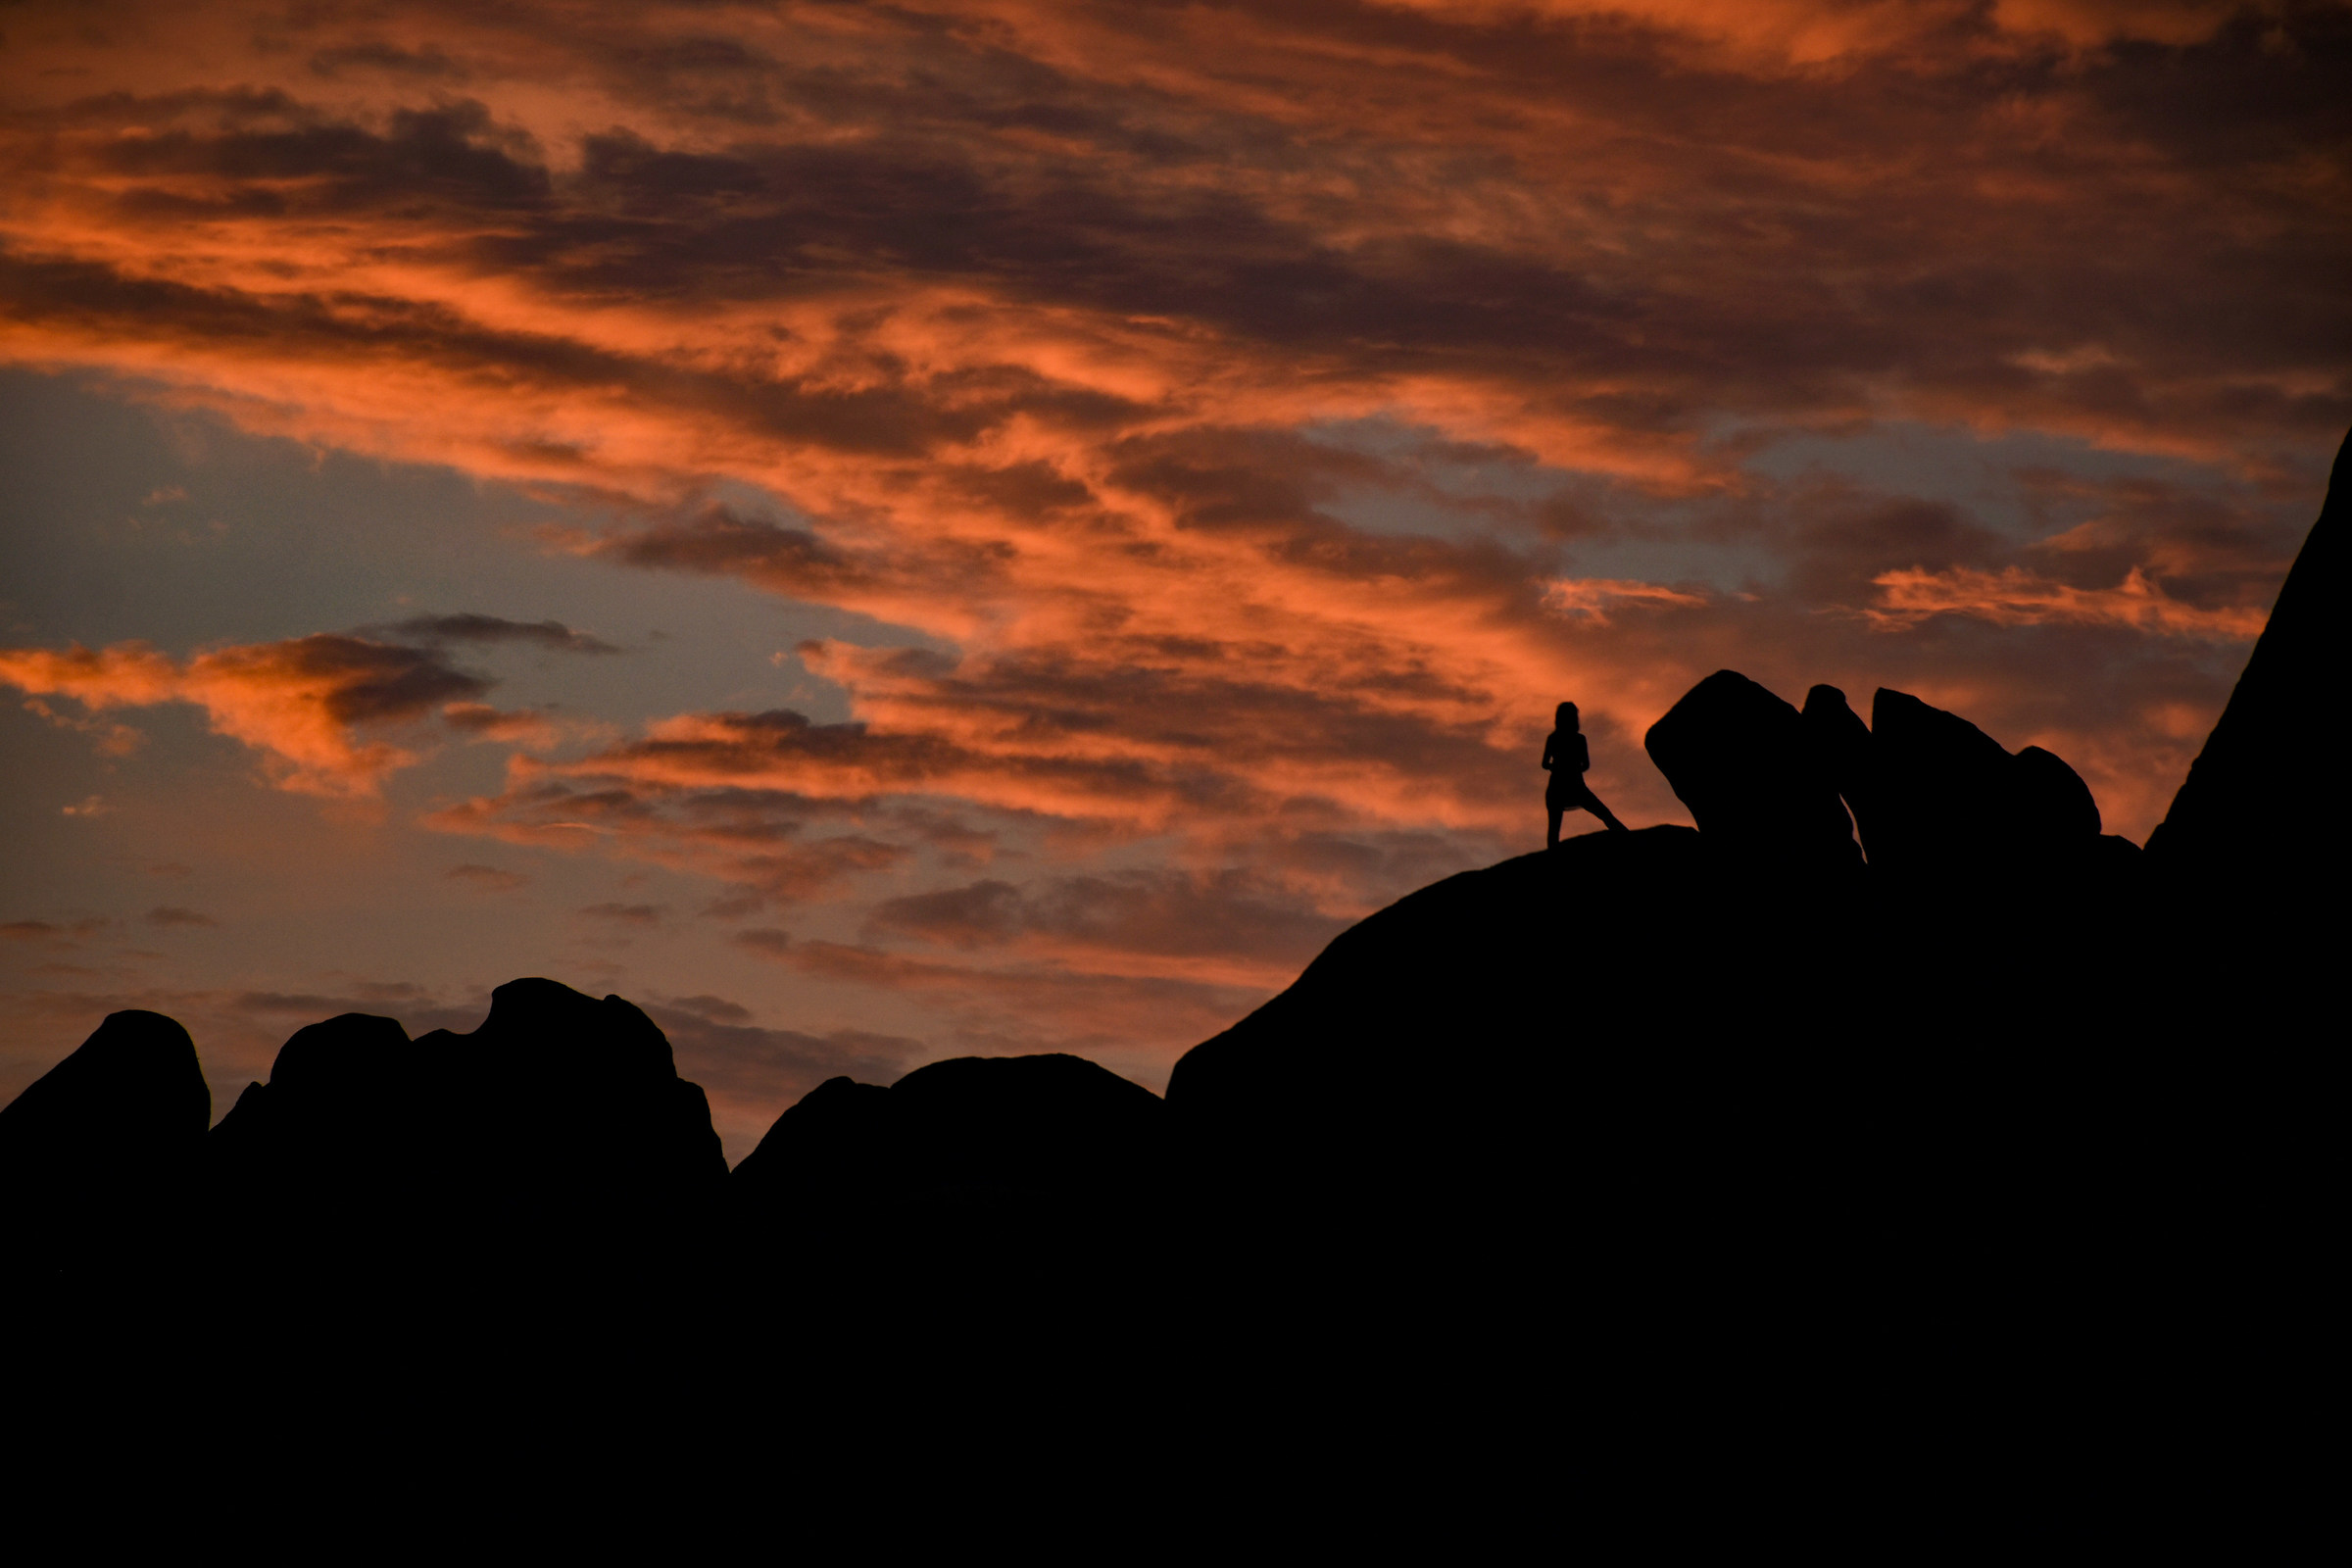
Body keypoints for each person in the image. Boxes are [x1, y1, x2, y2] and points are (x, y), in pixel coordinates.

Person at [1543, 702, 1628, 847]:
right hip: (1575, 786)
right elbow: (1586, 764)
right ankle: (1628, 838)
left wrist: (1557, 767)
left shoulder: (1554, 738)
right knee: (1604, 814)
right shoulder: (1579, 739)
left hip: (1558, 787)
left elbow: (1545, 764)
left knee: (1554, 829)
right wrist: (1573, 768)